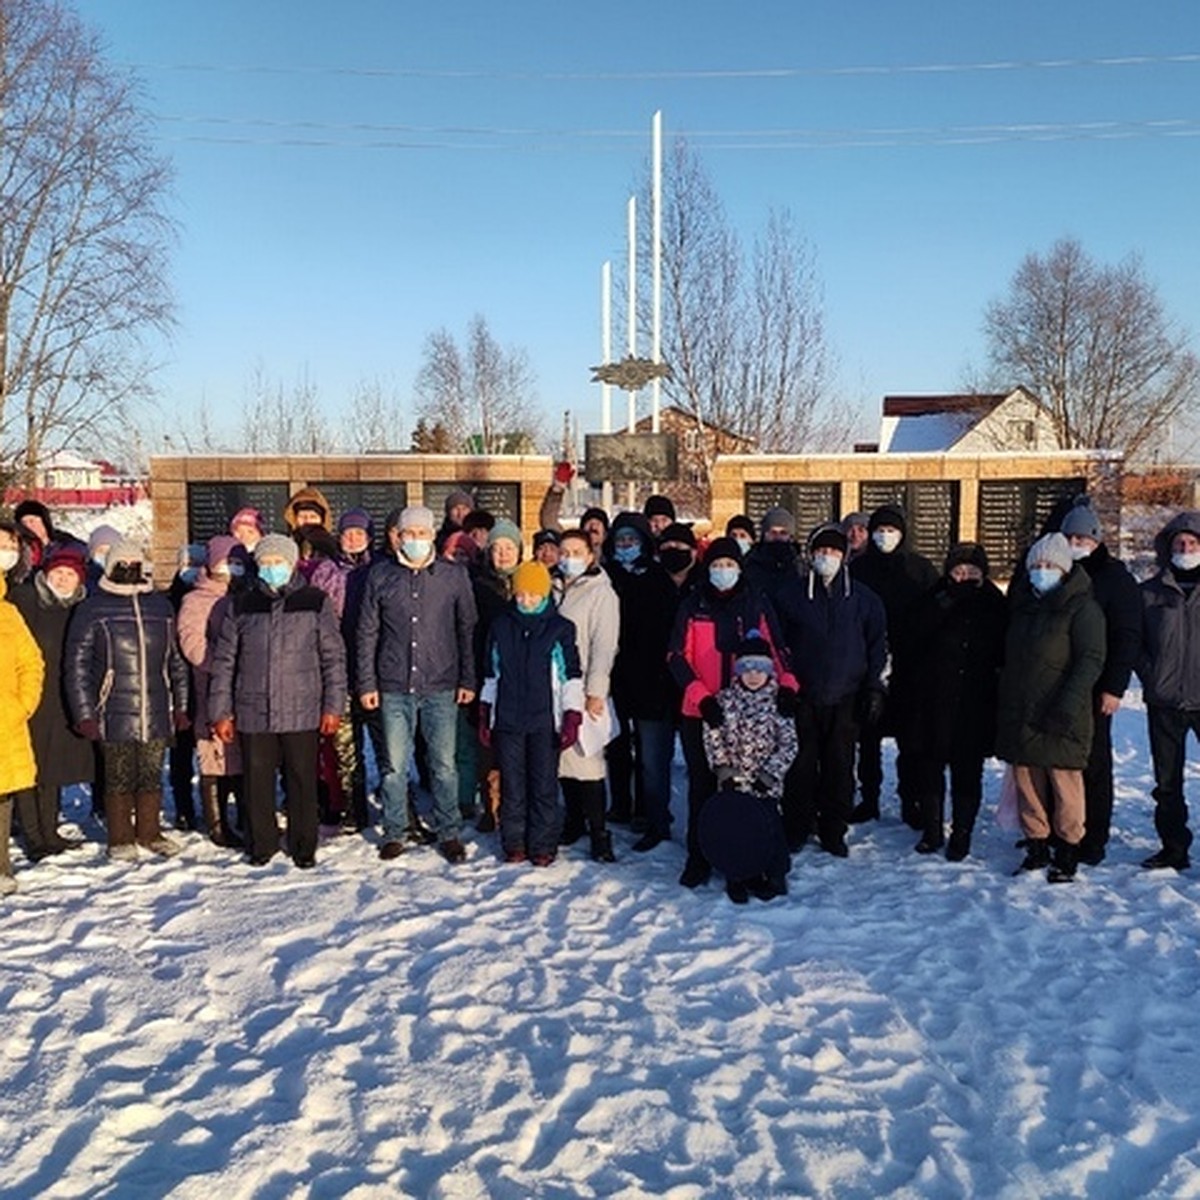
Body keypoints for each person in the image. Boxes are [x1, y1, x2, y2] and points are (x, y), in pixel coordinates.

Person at [209, 534, 347, 868]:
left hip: (303, 708)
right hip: (253, 707)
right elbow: (225, 660)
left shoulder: (315, 601)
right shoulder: (241, 604)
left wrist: (333, 705)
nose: (272, 569)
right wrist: (221, 711)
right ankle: (262, 843)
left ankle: (303, 844)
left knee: (302, 778)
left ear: (292, 563)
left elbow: (333, 657)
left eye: (278, 563)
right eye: (266, 563)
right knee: (257, 779)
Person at [668, 536, 798, 888]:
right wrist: (701, 696)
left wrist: (788, 687)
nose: (722, 572)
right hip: (704, 710)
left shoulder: (755, 603)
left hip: (751, 708)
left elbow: (778, 649)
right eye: (716, 566)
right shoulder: (693, 604)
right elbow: (676, 656)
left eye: (729, 565)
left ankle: (749, 856)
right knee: (703, 786)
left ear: (739, 568)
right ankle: (699, 856)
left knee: (748, 792)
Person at [357, 504, 478, 864]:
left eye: (421, 534)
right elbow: (367, 633)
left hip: (440, 684)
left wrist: (467, 678)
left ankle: (449, 830)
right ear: (399, 536)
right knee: (394, 766)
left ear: (431, 537)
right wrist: (366, 683)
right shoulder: (380, 576)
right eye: (408, 534)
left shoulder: (453, 577)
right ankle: (395, 831)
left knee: (443, 764)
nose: (415, 540)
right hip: (393, 684)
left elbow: (466, 629)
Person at [65, 540, 191, 860]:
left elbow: (175, 661)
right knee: (118, 774)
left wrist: (181, 705)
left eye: (135, 564)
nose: (129, 569)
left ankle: (149, 831)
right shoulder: (92, 608)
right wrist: (84, 713)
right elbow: (76, 664)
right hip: (112, 708)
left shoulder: (160, 606)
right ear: (109, 568)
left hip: (155, 705)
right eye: (122, 564)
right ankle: (120, 836)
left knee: (150, 771)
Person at [996, 533, 1105, 883]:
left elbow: (1090, 659)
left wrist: (1069, 703)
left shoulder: (1083, 607)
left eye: (1049, 566)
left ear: (1064, 569)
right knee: (1027, 781)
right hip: (1023, 709)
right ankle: (1037, 843)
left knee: (1064, 783)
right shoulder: (1024, 607)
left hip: (1062, 708)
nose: (1041, 572)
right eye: (1036, 566)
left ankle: (1069, 849)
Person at [776, 523, 887, 858]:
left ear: (845, 556)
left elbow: (877, 646)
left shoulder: (864, 599)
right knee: (800, 766)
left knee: (840, 767)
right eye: (821, 551)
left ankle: (833, 829)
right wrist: (784, 683)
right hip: (803, 695)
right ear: (811, 555)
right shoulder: (791, 595)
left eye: (834, 552)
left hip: (846, 695)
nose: (827, 557)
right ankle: (797, 825)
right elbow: (777, 644)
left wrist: (874, 687)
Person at [907, 542, 1008, 860]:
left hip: (974, 701)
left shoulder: (994, 603)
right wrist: (946, 602)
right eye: (959, 570)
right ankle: (932, 829)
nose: (964, 577)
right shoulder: (934, 596)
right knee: (930, 765)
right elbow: (913, 635)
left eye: (972, 571)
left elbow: (1003, 649)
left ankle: (962, 832)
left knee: (967, 771)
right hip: (932, 697)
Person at [480, 560, 584, 866]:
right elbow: (491, 673)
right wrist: (487, 712)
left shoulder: (560, 628)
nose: (526, 600)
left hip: (544, 721)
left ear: (544, 595)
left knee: (543, 785)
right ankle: (514, 842)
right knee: (513, 785)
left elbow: (571, 675)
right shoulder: (501, 626)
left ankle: (542, 844)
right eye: (521, 594)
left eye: (532, 595)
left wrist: (571, 715)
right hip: (509, 720)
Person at [1057, 496, 1142, 866]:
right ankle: (1063, 829)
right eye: (1070, 539)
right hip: (1057, 682)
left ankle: (1094, 835)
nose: (1077, 546)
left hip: (1095, 688)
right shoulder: (1057, 571)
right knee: (1057, 762)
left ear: (1095, 539)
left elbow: (1127, 635)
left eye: (1083, 539)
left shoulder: (1115, 579)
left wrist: (1114, 686)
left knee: (1093, 764)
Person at [848, 503, 939, 827]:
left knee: (909, 740)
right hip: (868, 666)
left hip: (909, 667)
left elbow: (935, 616)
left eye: (891, 531)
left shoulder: (920, 570)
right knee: (868, 738)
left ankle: (909, 799)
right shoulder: (858, 570)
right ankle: (868, 798)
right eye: (880, 531)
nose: (885, 537)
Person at [7, 546, 93, 861]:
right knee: (30, 767)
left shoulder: (80, 607)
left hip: (60, 694)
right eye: (57, 572)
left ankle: (50, 829)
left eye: (69, 575)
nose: (62, 579)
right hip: (28, 694)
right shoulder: (27, 599)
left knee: (53, 765)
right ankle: (33, 836)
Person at [700, 633, 796, 903]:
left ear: (770, 671)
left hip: (765, 784)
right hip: (735, 783)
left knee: (769, 829)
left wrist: (770, 774)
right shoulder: (725, 700)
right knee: (736, 832)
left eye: (760, 669)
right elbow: (713, 735)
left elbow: (788, 744)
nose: (753, 675)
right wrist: (723, 770)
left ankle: (776, 875)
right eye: (746, 668)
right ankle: (738, 876)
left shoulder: (779, 703)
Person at [605, 513, 681, 850]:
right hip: (614, 679)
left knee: (652, 758)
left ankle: (655, 819)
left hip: (652, 681)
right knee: (616, 749)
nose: (625, 546)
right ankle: (621, 806)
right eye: (620, 540)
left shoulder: (658, 579)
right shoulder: (605, 577)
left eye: (631, 540)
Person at [1135, 511, 1200, 871]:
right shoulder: (1150, 593)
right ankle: (1174, 846)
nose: (1186, 548)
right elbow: (1137, 644)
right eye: (1180, 543)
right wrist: (1152, 676)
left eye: (1192, 543)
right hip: (1164, 702)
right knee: (1167, 781)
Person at [310, 508, 382, 830]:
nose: (353, 539)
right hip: (337, 672)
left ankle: (399, 808)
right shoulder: (325, 572)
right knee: (345, 748)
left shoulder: (381, 570)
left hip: (375, 672)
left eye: (359, 533)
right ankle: (354, 808)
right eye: (347, 533)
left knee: (387, 747)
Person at [556, 529, 620, 862]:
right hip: (555, 688)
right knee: (564, 761)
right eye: (564, 552)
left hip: (584, 688)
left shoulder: (601, 593)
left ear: (590, 556)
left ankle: (599, 831)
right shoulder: (554, 588)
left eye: (577, 552)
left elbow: (604, 644)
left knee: (588, 762)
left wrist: (596, 690)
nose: (569, 559)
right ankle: (573, 820)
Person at [176, 536, 245, 848]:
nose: (230, 569)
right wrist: (224, 663)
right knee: (213, 754)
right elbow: (192, 643)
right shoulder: (196, 599)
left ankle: (244, 814)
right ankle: (217, 823)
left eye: (237, 563)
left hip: (245, 689)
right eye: (225, 561)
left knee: (241, 754)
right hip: (210, 686)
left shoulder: (246, 595)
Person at [0, 573, 43, 896]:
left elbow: (31, 663)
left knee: (2, 796)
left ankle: (1, 866)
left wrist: (22, 704)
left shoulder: (9, 613)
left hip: (6, 720)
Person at [743, 507, 801, 608]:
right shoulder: (750, 563)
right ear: (764, 535)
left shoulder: (800, 565)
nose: (777, 537)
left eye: (783, 533)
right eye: (773, 532)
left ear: (790, 536)